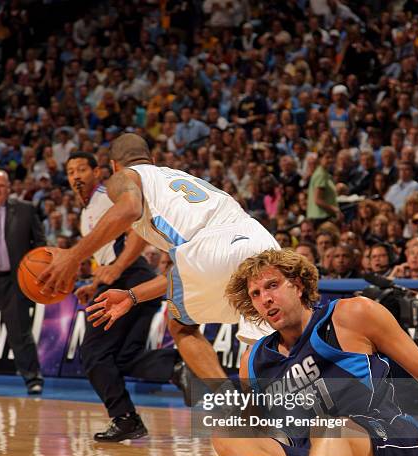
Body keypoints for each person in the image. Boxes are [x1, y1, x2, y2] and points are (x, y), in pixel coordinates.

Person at [150, 249, 418, 456]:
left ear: (298, 285)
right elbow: (252, 445)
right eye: (256, 294)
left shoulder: (350, 315)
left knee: (331, 425)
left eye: (272, 285)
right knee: (227, 432)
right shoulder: (254, 360)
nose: (265, 299)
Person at [39, 134, 279, 389]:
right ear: (152, 160)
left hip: (209, 249)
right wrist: (132, 296)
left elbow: (130, 208)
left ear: (114, 166)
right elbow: (186, 274)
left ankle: (228, 402)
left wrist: (72, 256)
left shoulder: (125, 177)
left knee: (181, 327)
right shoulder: (178, 178)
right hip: (259, 240)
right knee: (263, 347)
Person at [65, 151, 186, 442]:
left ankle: (124, 417)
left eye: (82, 169)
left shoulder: (109, 196)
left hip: (131, 280)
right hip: (130, 280)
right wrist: (95, 284)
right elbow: (108, 256)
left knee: (93, 354)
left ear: (98, 172)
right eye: (70, 172)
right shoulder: (87, 212)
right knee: (122, 357)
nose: (76, 176)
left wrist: (118, 267)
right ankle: (178, 365)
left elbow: (140, 230)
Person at [0, 170, 45, 394]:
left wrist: (37, 274)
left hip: (15, 280)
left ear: (9, 188)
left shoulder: (25, 210)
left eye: (2, 185)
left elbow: (40, 243)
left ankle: (32, 378)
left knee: (20, 332)